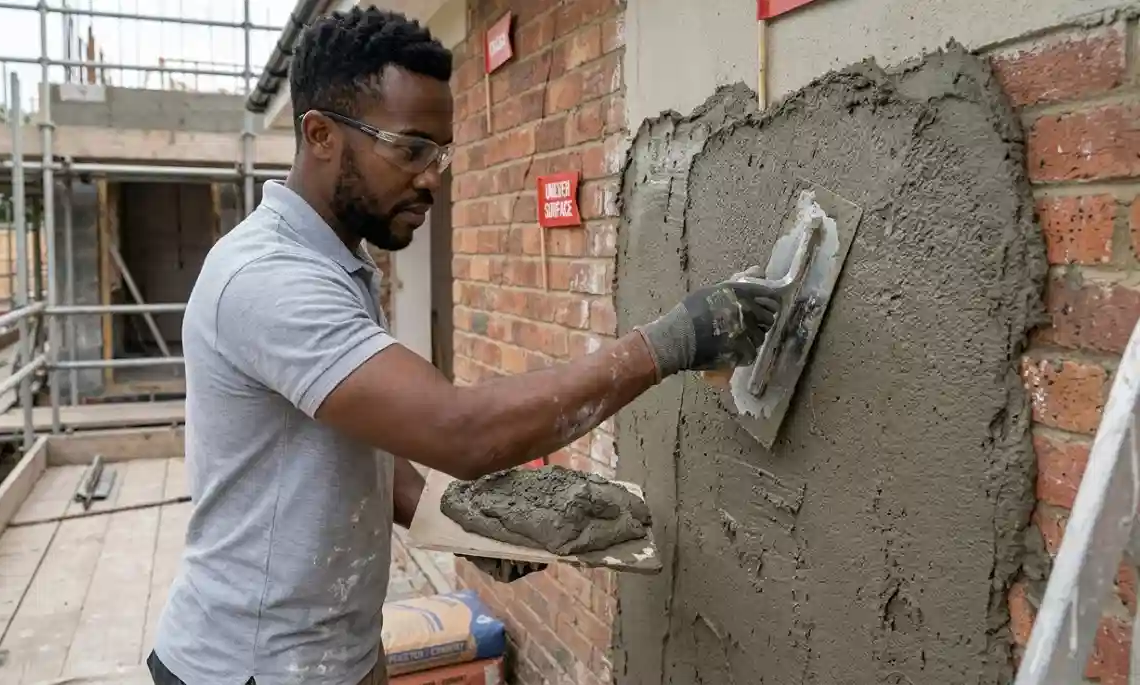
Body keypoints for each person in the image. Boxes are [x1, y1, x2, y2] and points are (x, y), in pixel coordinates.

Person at [148, 6, 775, 685]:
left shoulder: (336, 264)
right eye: (410, 148)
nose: (432, 176)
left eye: (441, 152)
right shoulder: (269, 280)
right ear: (321, 134)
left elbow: (358, 450)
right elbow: (459, 430)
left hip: (336, 657)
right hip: (249, 668)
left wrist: (463, 523)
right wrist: (676, 339)